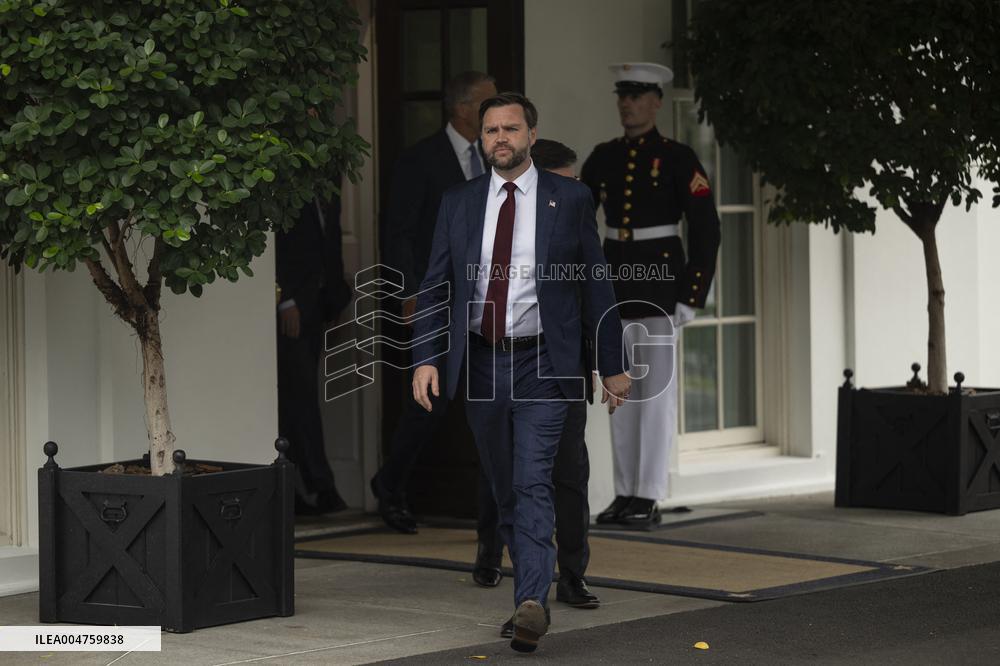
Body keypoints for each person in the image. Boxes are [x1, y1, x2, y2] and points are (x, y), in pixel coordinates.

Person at [412, 93, 631, 653]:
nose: (500, 138)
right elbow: (438, 286)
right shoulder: (458, 202)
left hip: (545, 362)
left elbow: (596, 285)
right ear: (481, 140)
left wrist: (613, 364)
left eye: (511, 128)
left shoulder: (570, 198)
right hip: (483, 359)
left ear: (532, 134)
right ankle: (530, 593)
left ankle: (531, 602)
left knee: (534, 478)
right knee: (505, 483)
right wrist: (426, 358)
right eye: (490, 131)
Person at [372, 72, 508, 587]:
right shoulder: (420, 160)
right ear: (463, 109)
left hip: (484, 304)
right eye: (486, 104)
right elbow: (400, 230)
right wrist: (408, 291)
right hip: (436, 299)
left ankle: (486, 517)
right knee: (429, 401)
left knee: (487, 401)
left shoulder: (494, 160)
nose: (494, 114)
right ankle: (391, 484)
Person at [581, 62, 721, 527]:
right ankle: (625, 491)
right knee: (619, 391)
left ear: (656, 102)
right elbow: (581, 226)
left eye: (637, 96)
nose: (628, 104)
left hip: (660, 283)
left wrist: (692, 294)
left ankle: (650, 493)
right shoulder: (602, 157)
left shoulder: (679, 158)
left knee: (655, 393)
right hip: (613, 280)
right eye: (623, 95)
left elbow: (705, 228)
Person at [276, 192, 353, 515]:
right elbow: (276, 240)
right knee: (299, 394)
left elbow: (330, 245)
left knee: (302, 395)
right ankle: (317, 486)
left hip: (320, 303)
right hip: (293, 303)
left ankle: (301, 488)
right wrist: (283, 297)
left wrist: (337, 301)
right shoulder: (286, 185)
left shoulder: (330, 189)